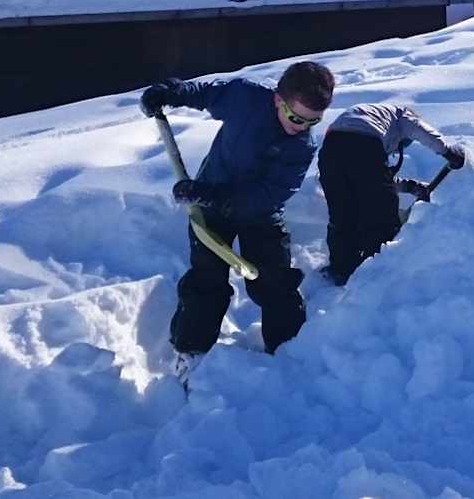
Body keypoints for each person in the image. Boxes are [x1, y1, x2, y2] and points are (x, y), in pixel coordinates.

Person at [139, 60, 336, 375]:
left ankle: (290, 351)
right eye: (296, 117)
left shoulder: (301, 147)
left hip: (259, 214)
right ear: (277, 99)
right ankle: (190, 353)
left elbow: (268, 196)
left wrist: (211, 195)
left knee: (275, 282)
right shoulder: (246, 98)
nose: (301, 127)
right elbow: (204, 94)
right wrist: (169, 92)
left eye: (312, 121)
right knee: (207, 280)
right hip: (210, 208)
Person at [318, 103, 467, 285]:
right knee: (383, 213)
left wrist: (412, 187)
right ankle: (379, 272)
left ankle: (341, 269)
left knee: (342, 215)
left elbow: (375, 180)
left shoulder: (368, 116)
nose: (396, 150)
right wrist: (447, 151)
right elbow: (418, 128)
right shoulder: (401, 115)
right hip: (363, 143)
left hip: (329, 151)